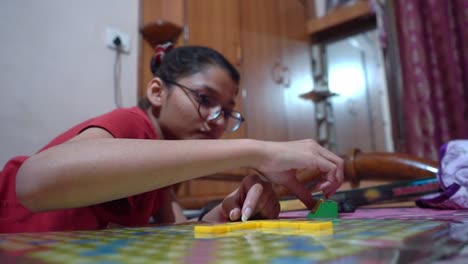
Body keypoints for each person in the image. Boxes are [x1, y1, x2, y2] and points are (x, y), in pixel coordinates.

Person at [0, 44, 344, 233]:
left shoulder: (161, 162)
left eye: (227, 111)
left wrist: (229, 211)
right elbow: (33, 181)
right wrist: (255, 151)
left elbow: (175, 229)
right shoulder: (132, 124)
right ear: (157, 92)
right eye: (205, 100)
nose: (216, 121)